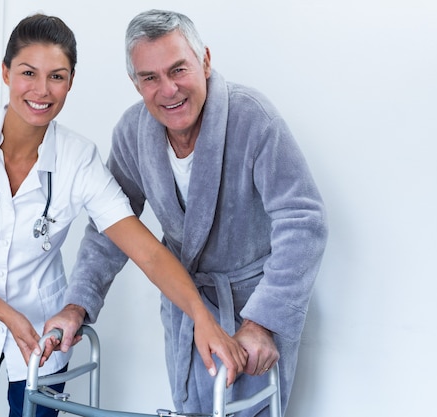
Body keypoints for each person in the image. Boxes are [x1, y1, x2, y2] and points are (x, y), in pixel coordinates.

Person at [0, 13, 244, 417]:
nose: (41, 89)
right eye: (28, 73)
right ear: (5, 73)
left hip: (45, 336)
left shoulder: (78, 158)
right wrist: (8, 316)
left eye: (57, 76)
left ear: (70, 81)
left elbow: (146, 251)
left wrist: (200, 317)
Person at [44, 9, 328, 417]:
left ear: (205, 61)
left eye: (179, 69)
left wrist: (263, 322)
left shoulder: (252, 119)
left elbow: (303, 220)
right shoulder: (131, 133)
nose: (169, 89)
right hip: (185, 305)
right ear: (135, 83)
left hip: (253, 305)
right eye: (150, 77)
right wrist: (77, 305)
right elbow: (110, 229)